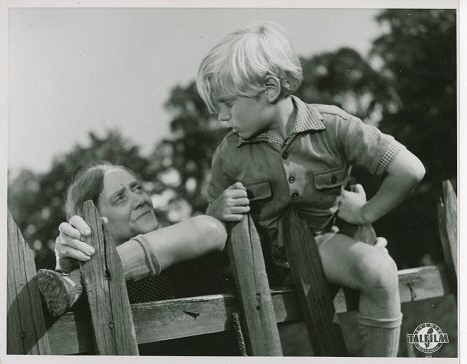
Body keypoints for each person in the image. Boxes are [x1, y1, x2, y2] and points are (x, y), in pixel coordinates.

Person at [196, 21, 426, 357]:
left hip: (325, 248)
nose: (221, 117)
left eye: (228, 103)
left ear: (270, 89)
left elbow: (410, 169)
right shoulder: (228, 155)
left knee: (379, 270)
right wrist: (216, 212)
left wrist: (366, 212)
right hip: (260, 270)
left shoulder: (333, 126)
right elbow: (211, 226)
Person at [37, 162, 228, 320]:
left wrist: (78, 278)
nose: (140, 199)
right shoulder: (99, 297)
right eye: (120, 198)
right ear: (94, 220)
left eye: (137, 188)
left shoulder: (187, 252)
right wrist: (64, 270)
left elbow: (211, 231)